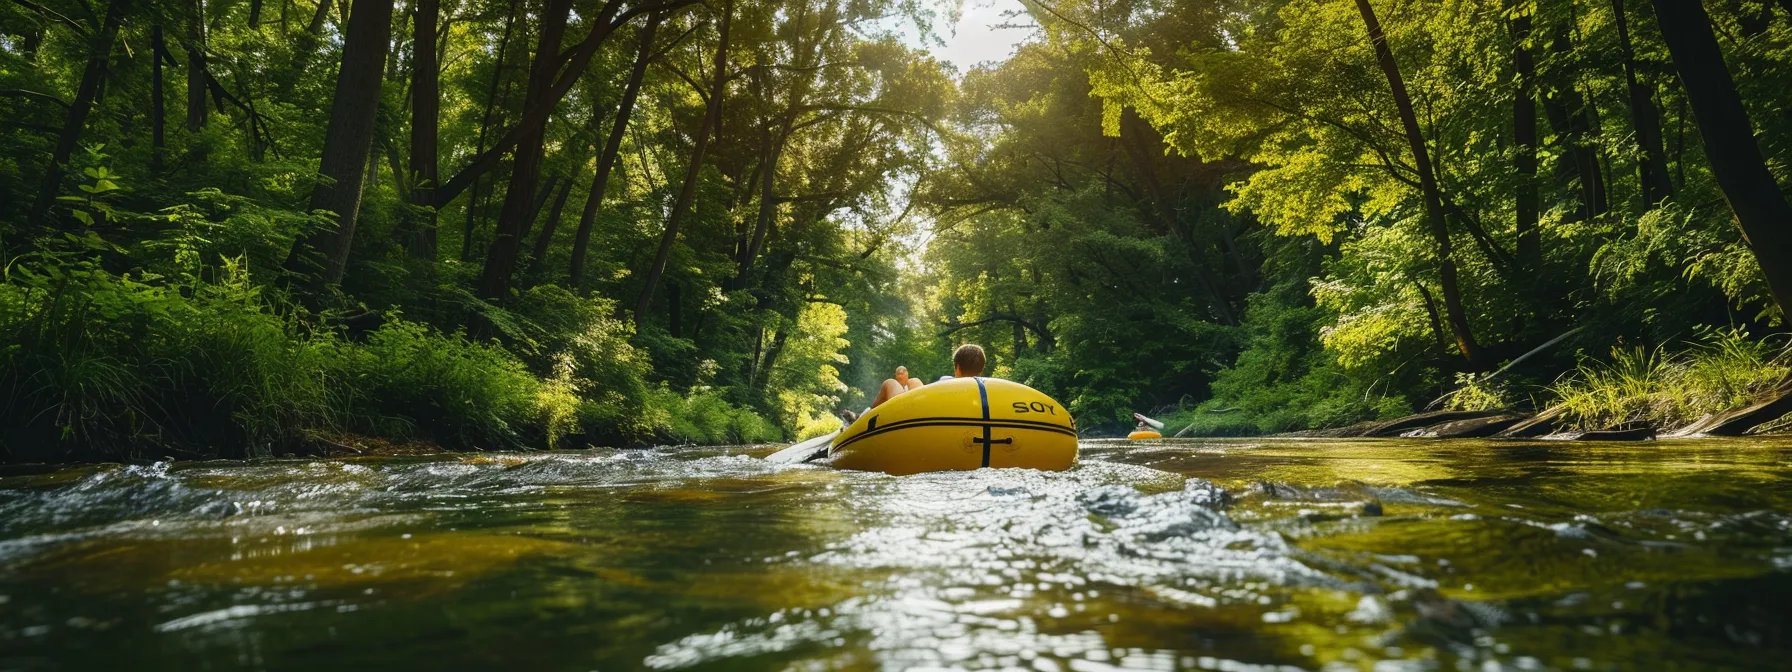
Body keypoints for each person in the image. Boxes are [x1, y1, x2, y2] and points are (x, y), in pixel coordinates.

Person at [867, 344, 988, 409]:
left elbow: (927, 397)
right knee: (914, 381)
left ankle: (866, 419)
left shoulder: (948, 383)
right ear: (981, 370)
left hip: (914, 413)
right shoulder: (986, 391)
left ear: (958, 368)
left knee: (889, 383)